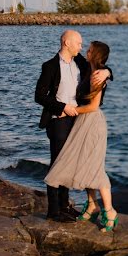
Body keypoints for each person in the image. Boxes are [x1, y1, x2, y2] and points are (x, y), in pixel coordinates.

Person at [35, 30, 110, 221]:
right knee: (57, 164)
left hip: (77, 120)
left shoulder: (80, 63)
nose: (81, 47)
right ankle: (53, 211)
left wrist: (108, 72)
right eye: (78, 43)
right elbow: (40, 96)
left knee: (69, 162)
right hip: (58, 119)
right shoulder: (50, 66)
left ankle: (65, 206)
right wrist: (62, 107)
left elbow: (100, 65)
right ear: (66, 43)